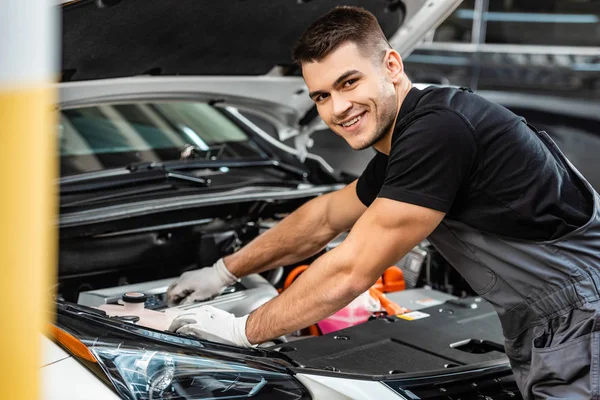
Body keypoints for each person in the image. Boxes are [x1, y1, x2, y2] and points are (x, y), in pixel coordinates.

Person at [166, 6, 600, 399]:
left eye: (349, 82)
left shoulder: (440, 130)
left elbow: (352, 270)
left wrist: (243, 331)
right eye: (321, 96)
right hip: (548, 320)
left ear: (391, 65)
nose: (338, 108)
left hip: (582, 316)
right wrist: (223, 270)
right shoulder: (410, 137)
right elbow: (323, 217)